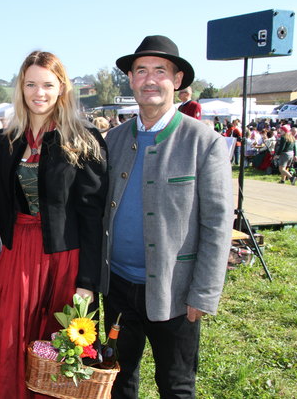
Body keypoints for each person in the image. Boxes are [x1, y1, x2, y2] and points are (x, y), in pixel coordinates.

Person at [101, 35, 234, 398]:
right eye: (141, 70)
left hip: (175, 291)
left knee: (175, 384)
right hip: (117, 287)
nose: (149, 79)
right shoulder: (112, 139)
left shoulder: (203, 141)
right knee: (116, 377)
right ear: (130, 80)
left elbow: (219, 222)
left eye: (160, 70)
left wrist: (203, 293)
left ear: (177, 81)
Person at [0, 51, 108, 399]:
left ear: (62, 89)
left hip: (65, 257)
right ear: (21, 88)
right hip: (17, 256)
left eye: (47, 84)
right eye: (30, 84)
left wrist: (87, 282)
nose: (38, 92)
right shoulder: (5, 140)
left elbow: (93, 217)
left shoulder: (83, 140)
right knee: (12, 339)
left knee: (61, 347)